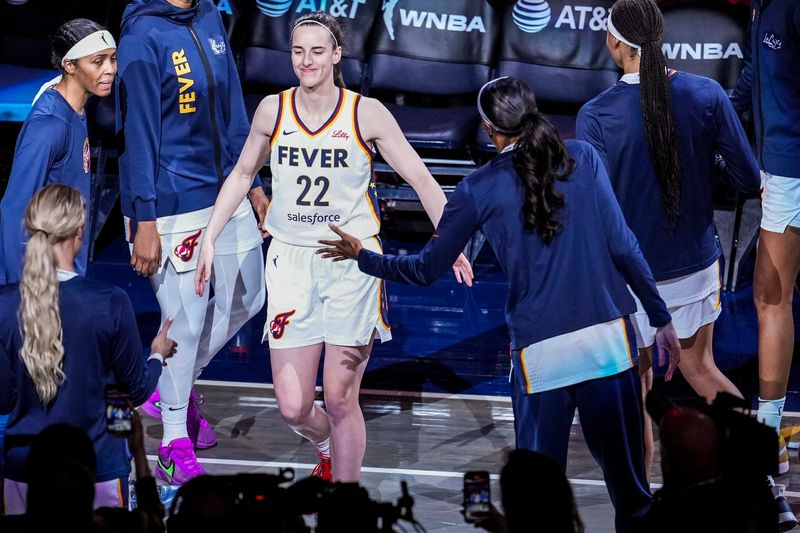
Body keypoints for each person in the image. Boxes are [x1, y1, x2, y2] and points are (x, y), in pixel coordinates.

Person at [317, 76, 680, 531]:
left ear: (489, 129)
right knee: (634, 499)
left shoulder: (477, 188)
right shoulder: (582, 156)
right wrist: (660, 317)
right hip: (610, 344)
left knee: (536, 507)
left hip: (542, 357)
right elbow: (625, 247)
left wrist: (364, 258)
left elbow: (427, 268)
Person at [193, 11, 473, 483]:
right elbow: (242, 174)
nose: (306, 60)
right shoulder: (271, 109)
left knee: (342, 398)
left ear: (337, 54)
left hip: (352, 262)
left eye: (317, 51)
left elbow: (422, 178)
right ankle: (325, 445)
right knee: (293, 405)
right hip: (290, 261)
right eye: (298, 51)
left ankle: (347, 499)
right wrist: (209, 236)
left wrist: (450, 241)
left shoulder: (365, 112)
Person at [575, 0, 760, 479]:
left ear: (616, 42)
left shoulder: (595, 116)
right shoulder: (708, 94)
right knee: (703, 372)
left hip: (633, 279)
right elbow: (745, 178)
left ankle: (637, 509)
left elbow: (597, 210)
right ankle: (764, 474)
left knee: (637, 388)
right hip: (696, 266)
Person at [116, 0, 269, 484]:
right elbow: (136, 133)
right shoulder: (141, 37)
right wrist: (143, 215)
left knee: (250, 295)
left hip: (227, 188)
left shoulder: (208, 15)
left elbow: (232, 107)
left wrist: (255, 181)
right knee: (187, 315)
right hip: (170, 200)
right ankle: (173, 442)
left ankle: (167, 386)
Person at [0, 184, 175, 514]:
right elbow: (132, 390)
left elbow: (4, 398)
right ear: (79, 232)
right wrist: (157, 355)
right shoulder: (108, 302)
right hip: (97, 469)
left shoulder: (6, 305)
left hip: (24, 471)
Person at [730, 0, 800, 477]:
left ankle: (769, 434)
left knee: (770, 297)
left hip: (791, 169)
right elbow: (755, 73)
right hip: (778, 166)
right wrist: (718, 118)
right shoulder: (761, 4)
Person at [0, 18, 117, 285]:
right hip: (44, 283)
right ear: (69, 65)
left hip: (67, 273)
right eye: (98, 62)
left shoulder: (75, 105)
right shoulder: (50, 126)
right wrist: (18, 291)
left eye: (112, 59)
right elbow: (13, 209)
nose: (109, 69)